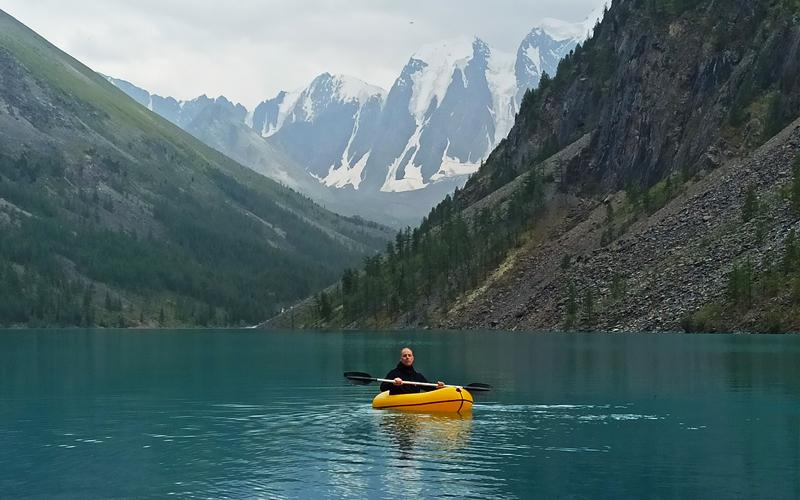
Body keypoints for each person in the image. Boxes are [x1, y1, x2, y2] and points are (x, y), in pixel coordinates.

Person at [380, 347, 445, 395]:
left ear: (413, 358)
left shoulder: (417, 376)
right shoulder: (394, 373)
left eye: (409, 355)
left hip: (413, 403)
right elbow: (382, 388)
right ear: (401, 359)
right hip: (398, 404)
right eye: (404, 356)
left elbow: (429, 387)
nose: (407, 357)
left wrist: (438, 386)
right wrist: (393, 383)